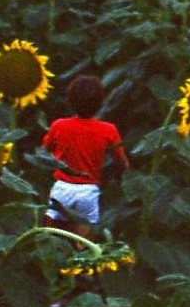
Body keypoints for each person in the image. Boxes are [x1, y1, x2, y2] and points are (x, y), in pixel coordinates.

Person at [42, 74, 130, 238]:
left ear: (69, 101)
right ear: (101, 103)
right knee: (83, 246)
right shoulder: (109, 130)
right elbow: (122, 163)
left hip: (62, 188)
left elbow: (44, 152)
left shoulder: (59, 126)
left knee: (50, 239)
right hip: (88, 191)